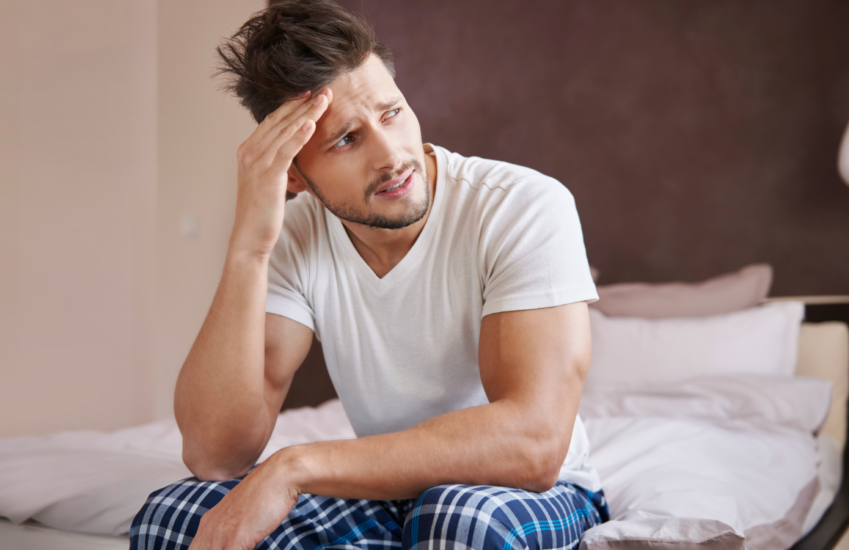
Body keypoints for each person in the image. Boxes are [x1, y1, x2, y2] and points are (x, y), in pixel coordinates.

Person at [130, 1, 609, 549]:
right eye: (346, 140)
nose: (391, 155)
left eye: (392, 113)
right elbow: (216, 453)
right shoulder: (295, 234)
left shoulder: (521, 206)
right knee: (175, 514)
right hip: (386, 489)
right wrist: (248, 248)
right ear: (294, 173)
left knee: (457, 517)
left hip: (527, 493)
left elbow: (533, 444)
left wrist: (294, 467)